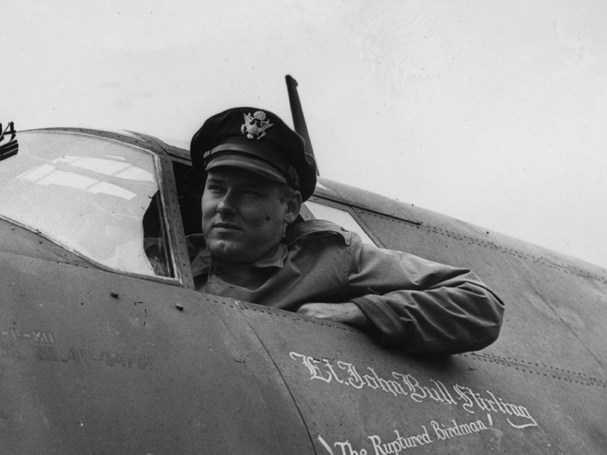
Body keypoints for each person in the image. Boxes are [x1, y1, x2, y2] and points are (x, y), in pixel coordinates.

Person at [188, 107, 503, 355]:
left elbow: (478, 302)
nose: (225, 206)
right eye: (216, 188)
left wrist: (358, 312)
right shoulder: (163, 257)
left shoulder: (328, 255)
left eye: (249, 193)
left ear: (290, 208)